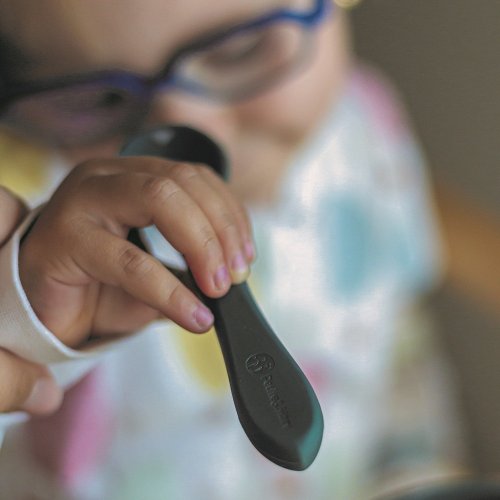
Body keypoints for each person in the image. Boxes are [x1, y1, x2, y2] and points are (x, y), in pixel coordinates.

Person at [0, 0, 488, 497]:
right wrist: (24, 317)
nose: (197, 125)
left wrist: (418, 474)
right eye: (97, 97)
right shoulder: (29, 229)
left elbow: (403, 362)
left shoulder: (366, 134)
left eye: (242, 49)